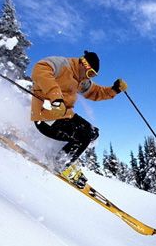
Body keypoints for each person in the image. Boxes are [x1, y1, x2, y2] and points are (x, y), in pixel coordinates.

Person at [31, 51, 127, 187]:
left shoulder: (81, 80)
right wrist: (55, 97)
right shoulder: (62, 64)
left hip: (64, 115)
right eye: (90, 73)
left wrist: (114, 90)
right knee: (83, 136)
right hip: (46, 115)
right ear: (83, 63)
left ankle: (62, 155)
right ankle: (60, 163)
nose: (89, 77)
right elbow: (40, 69)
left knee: (92, 132)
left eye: (93, 75)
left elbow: (95, 92)